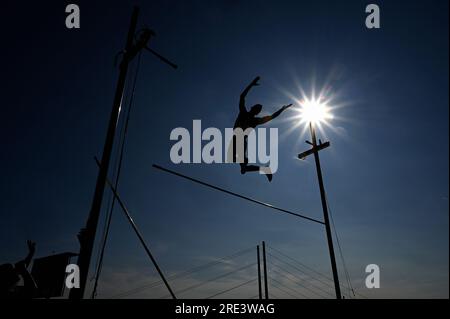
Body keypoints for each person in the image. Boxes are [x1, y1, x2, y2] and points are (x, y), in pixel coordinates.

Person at [231, 76, 292, 182]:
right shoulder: (243, 112)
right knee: (242, 168)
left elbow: (272, 116)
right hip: (237, 139)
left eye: (258, 111)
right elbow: (242, 97)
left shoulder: (255, 121)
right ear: (252, 108)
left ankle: (250, 163)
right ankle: (264, 169)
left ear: (257, 113)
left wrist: (282, 109)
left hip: (240, 140)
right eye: (256, 109)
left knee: (239, 164)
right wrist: (251, 85)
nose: (257, 111)